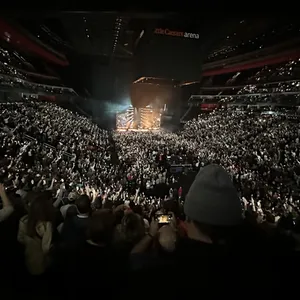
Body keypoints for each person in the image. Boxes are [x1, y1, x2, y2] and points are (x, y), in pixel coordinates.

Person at [17, 192, 56, 275]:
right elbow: (46, 248)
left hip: (28, 258)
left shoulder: (23, 220)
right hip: (41, 263)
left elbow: (20, 238)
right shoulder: (46, 225)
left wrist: (30, 243)